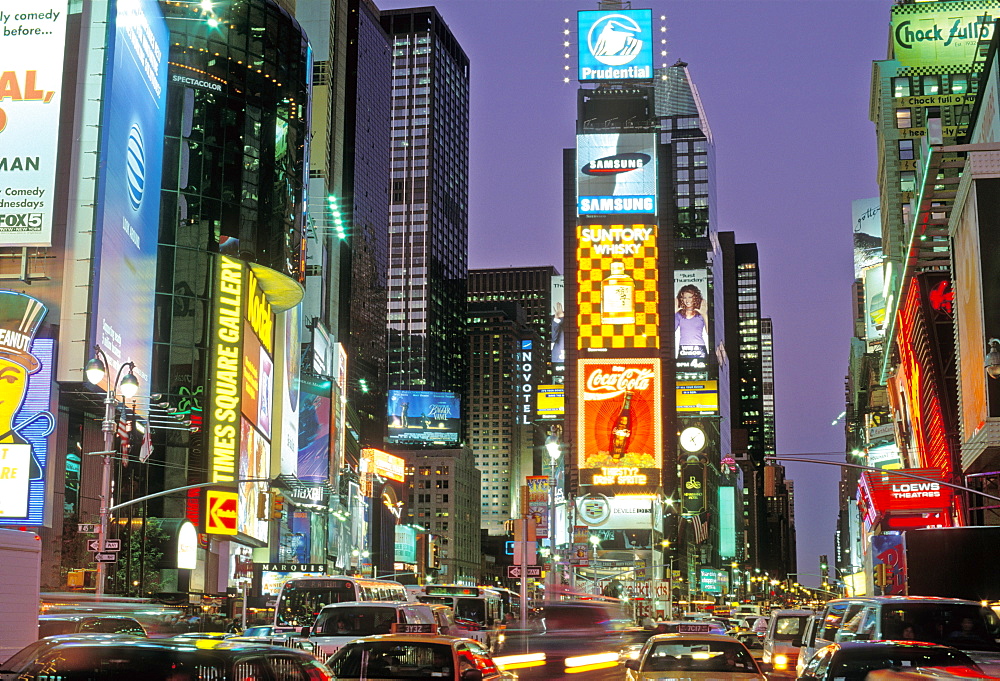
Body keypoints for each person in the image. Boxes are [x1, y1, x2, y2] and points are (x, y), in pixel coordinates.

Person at [674, 284, 709, 360]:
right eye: (684, 298)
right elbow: (669, 331)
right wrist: (672, 313)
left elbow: (710, 332)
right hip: (684, 349)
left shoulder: (701, 313)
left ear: (695, 298)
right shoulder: (679, 315)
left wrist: (704, 315)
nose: (687, 300)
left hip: (699, 349)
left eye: (690, 297)